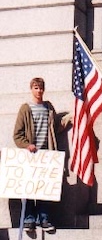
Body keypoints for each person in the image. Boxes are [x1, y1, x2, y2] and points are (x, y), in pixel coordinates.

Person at [13, 77, 71, 232]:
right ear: (31, 89)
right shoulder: (25, 108)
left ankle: (44, 218)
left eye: (41, 88)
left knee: (45, 187)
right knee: (30, 188)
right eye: (36, 88)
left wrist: (72, 117)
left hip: (47, 154)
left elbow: (56, 127)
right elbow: (17, 135)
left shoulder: (48, 107)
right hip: (31, 155)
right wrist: (27, 145)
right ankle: (29, 219)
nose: (39, 91)